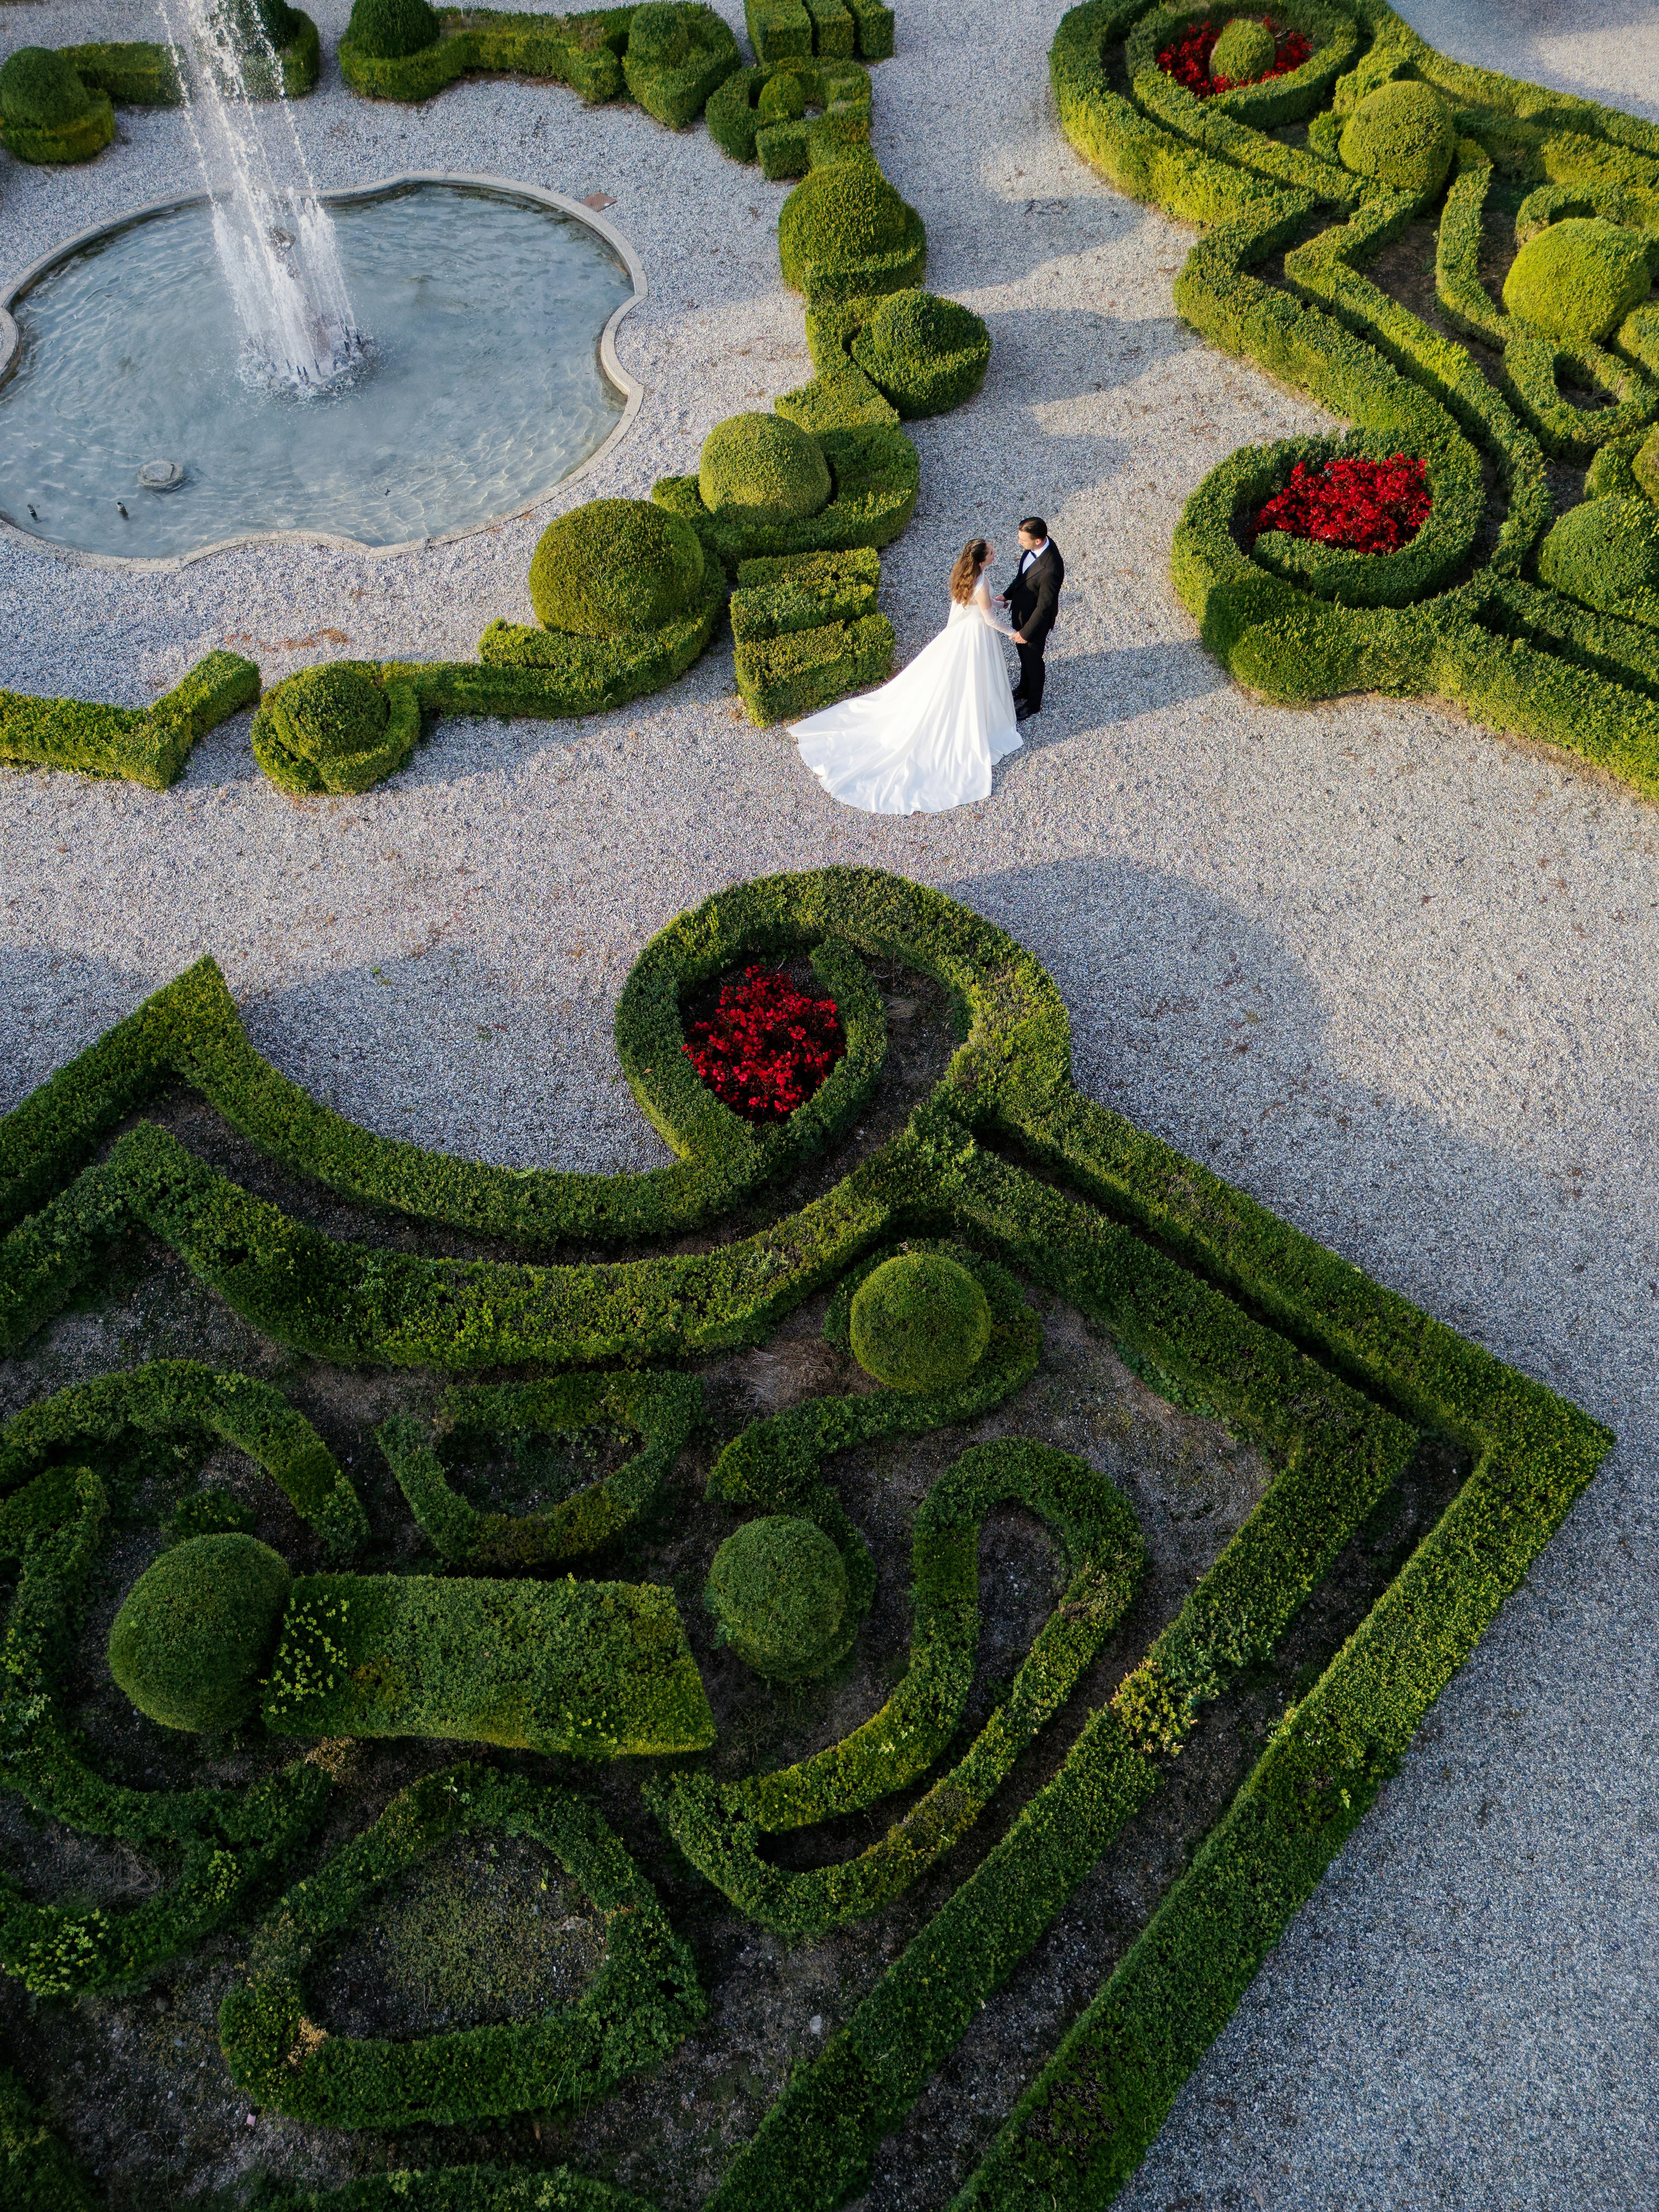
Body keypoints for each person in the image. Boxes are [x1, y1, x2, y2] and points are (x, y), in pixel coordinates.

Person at [789, 536, 1021, 814]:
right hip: (975, 638)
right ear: (982, 560)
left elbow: (976, 606)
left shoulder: (967, 574)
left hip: (962, 634)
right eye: (992, 552)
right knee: (973, 681)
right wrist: (1013, 633)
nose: (995, 554)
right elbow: (987, 620)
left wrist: (999, 603)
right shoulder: (980, 582)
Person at [998, 516, 1063, 721]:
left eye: (1023, 540)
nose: (1020, 543)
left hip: (1034, 624)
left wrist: (1026, 633)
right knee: (1024, 658)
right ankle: (1023, 689)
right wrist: (1007, 595)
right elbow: (1022, 577)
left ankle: (1033, 704)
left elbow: (1044, 607)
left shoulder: (1052, 567)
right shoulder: (1033, 548)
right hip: (1021, 615)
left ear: (1038, 541)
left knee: (1034, 662)